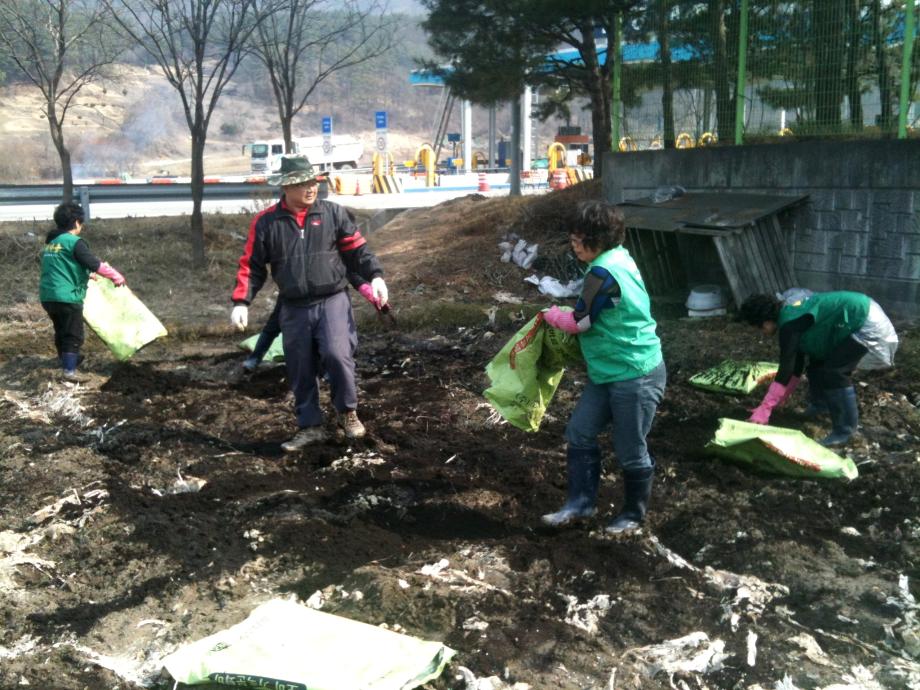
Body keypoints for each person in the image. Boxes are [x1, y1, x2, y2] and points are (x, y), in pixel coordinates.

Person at [231, 156, 388, 452]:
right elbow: (251, 265)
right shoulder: (267, 223)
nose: (310, 188)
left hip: (332, 300)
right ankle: (310, 426)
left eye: (312, 181)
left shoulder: (332, 214)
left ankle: (347, 413)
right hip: (293, 306)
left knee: (337, 354)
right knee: (300, 366)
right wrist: (242, 301)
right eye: (302, 183)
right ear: (287, 187)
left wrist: (375, 277)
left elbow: (358, 251)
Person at [540, 201, 667, 535]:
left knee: (630, 448)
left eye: (577, 237)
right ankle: (580, 503)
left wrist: (550, 315)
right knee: (579, 432)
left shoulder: (603, 271)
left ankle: (633, 515)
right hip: (608, 371)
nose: (573, 243)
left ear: (594, 239)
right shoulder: (616, 258)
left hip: (634, 373)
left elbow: (580, 322)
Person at [739, 291, 898, 446]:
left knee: (834, 372)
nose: (761, 333)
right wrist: (773, 403)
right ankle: (820, 408)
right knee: (816, 366)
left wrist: (767, 406)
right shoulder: (790, 318)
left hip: (864, 321)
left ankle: (845, 431)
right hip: (856, 315)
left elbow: (786, 368)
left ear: (765, 320)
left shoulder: (790, 324)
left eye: (758, 327)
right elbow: (796, 368)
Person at [39, 202, 126, 381]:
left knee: (61, 330)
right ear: (77, 222)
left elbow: (62, 268)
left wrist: (87, 275)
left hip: (48, 296)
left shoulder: (51, 244)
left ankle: (66, 360)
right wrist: (116, 276)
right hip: (67, 297)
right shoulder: (74, 242)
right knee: (74, 333)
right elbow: (94, 263)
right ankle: (69, 372)